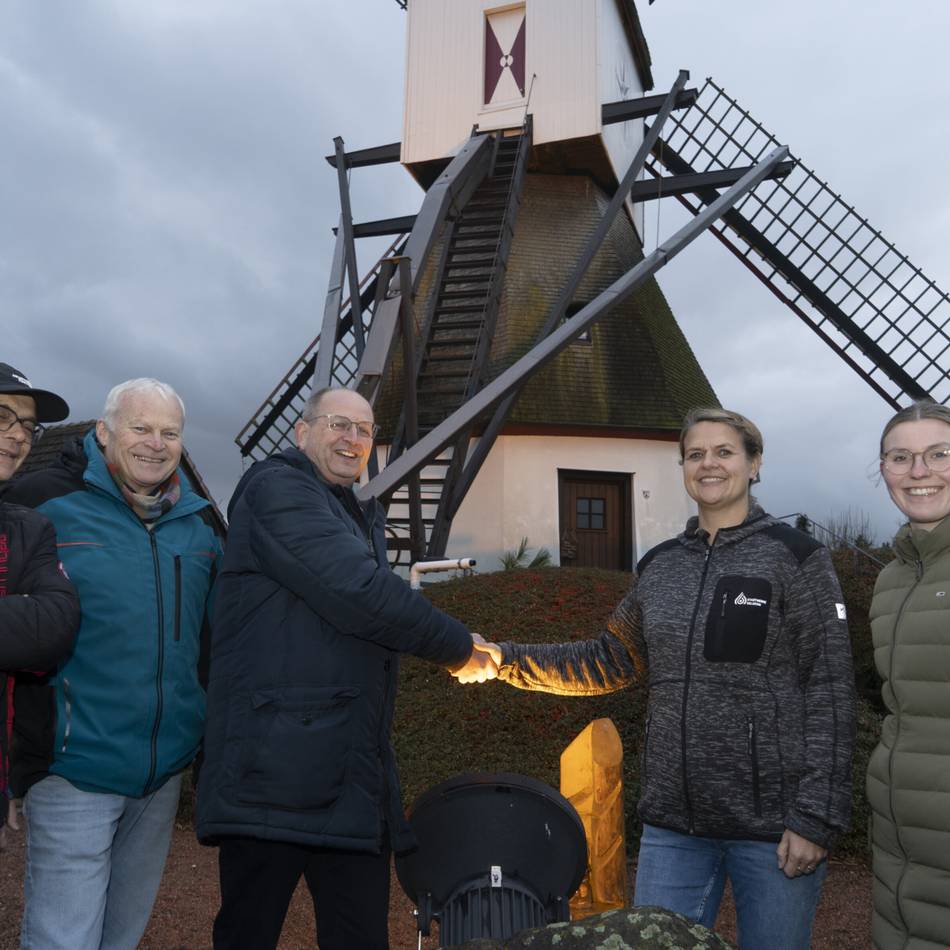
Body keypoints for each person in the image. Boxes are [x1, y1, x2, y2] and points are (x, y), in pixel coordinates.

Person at [461, 407, 856, 950]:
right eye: (695, 454)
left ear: (754, 463)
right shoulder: (661, 566)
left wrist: (816, 817)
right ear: (683, 467)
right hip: (674, 828)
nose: (708, 464)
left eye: (724, 452)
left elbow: (830, 689)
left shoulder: (797, 558)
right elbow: (606, 659)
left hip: (772, 828)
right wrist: (502, 658)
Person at [196, 386, 492, 950]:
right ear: (302, 432)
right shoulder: (277, 488)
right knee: (249, 932)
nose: (352, 439)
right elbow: (357, 592)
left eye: (363, 430)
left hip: (346, 769)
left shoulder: (358, 514)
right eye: (338, 424)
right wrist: (459, 646)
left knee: (358, 935)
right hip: (275, 770)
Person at [4, 378, 224, 950]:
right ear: (103, 433)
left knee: (121, 937)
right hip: (76, 765)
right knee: (64, 938)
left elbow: (218, 638)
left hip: (162, 772)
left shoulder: (200, 528)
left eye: (169, 432)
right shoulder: (40, 506)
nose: (156, 443)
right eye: (141, 427)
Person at [867, 400, 950, 949]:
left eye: (939, 453)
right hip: (898, 857)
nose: (919, 472)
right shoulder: (891, 580)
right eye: (901, 457)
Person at [0, 363, 79, 849]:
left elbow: (56, 627)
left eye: (27, 426)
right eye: (3, 417)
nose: (18, 436)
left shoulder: (29, 528)